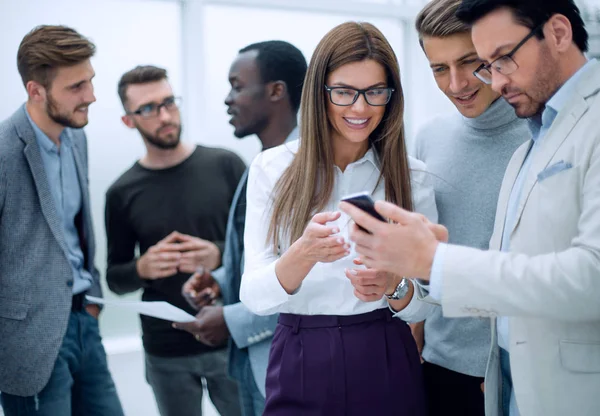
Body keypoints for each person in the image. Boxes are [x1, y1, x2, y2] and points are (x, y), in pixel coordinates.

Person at [341, 1, 600, 415]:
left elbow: (588, 275)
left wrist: (434, 260)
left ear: (557, 33)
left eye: (490, 61)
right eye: (439, 68)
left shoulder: (548, 129)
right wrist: (401, 282)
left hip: (539, 376)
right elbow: (431, 283)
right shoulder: (514, 139)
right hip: (461, 371)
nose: (465, 83)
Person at [239, 21, 438, 416]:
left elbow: (428, 304)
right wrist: (303, 254)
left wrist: (394, 284)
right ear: (318, 92)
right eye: (344, 92)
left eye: (375, 92)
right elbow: (254, 298)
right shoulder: (272, 168)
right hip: (299, 352)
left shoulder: (412, 176)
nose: (360, 108)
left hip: (384, 349)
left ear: (391, 96)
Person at [174, 41, 307, 416]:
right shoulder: (263, 164)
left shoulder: (304, 171)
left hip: (291, 370)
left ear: (276, 91)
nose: (228, 100)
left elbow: (309, 276)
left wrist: (231, 320)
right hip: (255, 364)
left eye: (237, 86)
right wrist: (221, 279)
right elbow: (266, 260)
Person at [105, 65, 244, 416]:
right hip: (165, 349)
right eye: (149, 108)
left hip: (229, 335)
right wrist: (141, 267)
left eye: (169, 102)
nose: (165, 115)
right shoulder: (121, 193)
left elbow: (264, 249)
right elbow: (115, 279)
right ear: (128, 121)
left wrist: (219, 254)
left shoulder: (226, 165)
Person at [410, 1, 528, 414]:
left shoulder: (538, 138)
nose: (456, 83)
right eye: (439, 68)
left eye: (469, 62)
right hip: (437, 367)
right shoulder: (429, 138)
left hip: (513, 371)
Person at [0, 25, 124, 416]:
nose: (91, 96)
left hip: (84, 321)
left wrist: (93, 301)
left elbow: (77, 232)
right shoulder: (3, 152)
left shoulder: (76, 137)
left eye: (89, 81)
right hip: (30, 341)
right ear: (35, 90)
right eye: (76, 87)